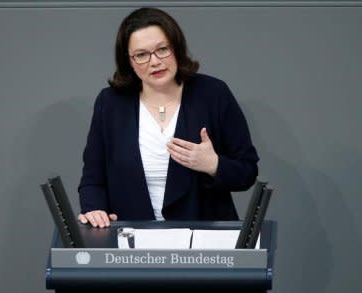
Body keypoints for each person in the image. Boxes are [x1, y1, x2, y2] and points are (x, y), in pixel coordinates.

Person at [77, 7, 259, 228]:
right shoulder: (110, 103)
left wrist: (213, 164)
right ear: (129, 62)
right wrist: (94, 208)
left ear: (177, 48)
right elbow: (92, 180)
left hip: (205, 241)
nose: (154, 61)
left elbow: (247, 171)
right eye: (142, 55)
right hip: (132, 241)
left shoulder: (213, 94)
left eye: (162, 49)